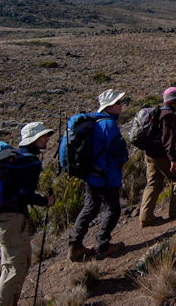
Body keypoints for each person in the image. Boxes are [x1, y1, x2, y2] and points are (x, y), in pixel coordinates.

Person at [0, 123, 55, 306]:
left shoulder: (15, 158)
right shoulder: (29, 161)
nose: (46, 139)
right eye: (43, 136)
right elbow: (24, 194)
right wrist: (46, 201)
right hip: (12, 220)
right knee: (15, 266)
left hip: (4, 218)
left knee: (14, 263)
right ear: (34, 139)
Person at [68, 89, 129, 262]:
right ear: (109, 106)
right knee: (113, 209)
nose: (121, 105)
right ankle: (103, 245)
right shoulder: (108, 125)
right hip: (106, 175)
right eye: (118, 103)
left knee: (90, 207)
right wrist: (121, 163)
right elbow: (119, 152)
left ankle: (75, 245)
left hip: (90, 174)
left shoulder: (91, 122)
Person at [139, 87, 176, 228]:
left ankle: (146, 218)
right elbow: (168, 139)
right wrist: (172, 160)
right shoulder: (169, 115)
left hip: (149, 154)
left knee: (153, 184)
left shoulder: (158, 112)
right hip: (161, 155)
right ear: (174, 101)